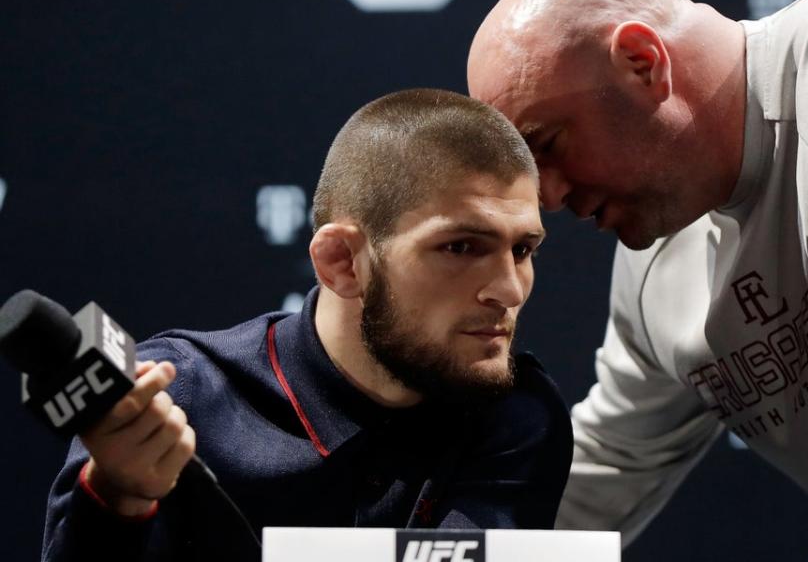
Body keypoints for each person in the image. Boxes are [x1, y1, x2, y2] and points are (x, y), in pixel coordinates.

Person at [467, 0, 808, 561]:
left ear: (643, 63)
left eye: (547, 144)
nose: (546, 198)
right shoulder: (655, 271)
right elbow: (604, 475)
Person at [42, 88, 573, 561]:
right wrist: (119, 496)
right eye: (460, 247)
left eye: (523, 249)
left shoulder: (518, 414)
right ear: (342, 262)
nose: (510, 289)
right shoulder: (173, 400)